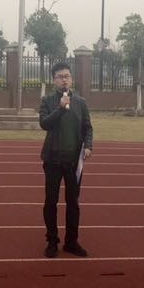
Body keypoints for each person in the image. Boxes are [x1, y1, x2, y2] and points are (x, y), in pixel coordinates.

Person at [38, 61, 93, 258]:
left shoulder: (80, 102)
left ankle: (71, 241)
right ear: (54, 80)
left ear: (71, 79)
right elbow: (45, 124)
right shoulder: (47, 101)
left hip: (74, 162)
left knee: (73, 202)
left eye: (67, 76)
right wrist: (61, 108)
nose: (64, 80)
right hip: (53, 160)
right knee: (51, 202)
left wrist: (88, 145)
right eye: (60, 77)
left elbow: (87, 127)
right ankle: (52, 241)